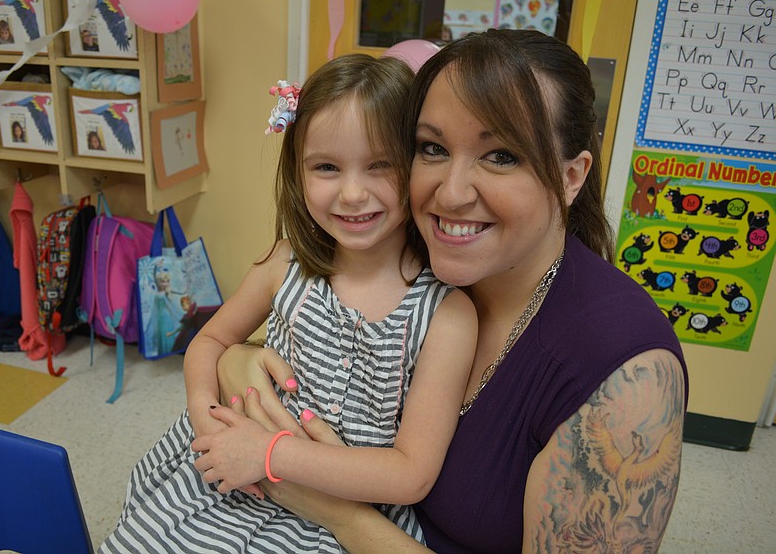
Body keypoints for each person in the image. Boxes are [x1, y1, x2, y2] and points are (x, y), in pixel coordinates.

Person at [215, 28, 689, 553]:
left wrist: (339, 515)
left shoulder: (626, 378)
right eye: (432, 148)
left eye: (502, 156)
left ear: (572, 175)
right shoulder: (412, 252)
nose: (451, 193)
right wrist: (237, 359)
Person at [99, 53, 477, 552]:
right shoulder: (285, 262)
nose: (352, 192)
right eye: (326, 167)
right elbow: (211, 339)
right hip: (228, 483)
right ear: (298, 172)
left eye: (380, 165)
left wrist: (271, 454)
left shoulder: (446, 315)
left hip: (336, 517)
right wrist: (204, 412)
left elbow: (410, 475)